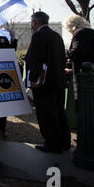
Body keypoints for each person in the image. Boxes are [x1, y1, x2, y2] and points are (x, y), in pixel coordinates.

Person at [26, 11, 71, 153]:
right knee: (58, 111)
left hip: (44, 82)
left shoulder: (39, 35)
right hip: (58, 81)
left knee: (46, 113)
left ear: (36, 22)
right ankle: (64, 141)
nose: (30, 25)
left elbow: (36, 59)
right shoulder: (56, 35)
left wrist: (33, 79)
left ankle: (52, 143)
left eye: (31, 22)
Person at [63, 15, 94, 142]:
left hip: (91, 80)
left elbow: (78, 51)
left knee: (87, 105)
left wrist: (64, 54)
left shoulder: (81, 33)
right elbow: (91, 56)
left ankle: (87, 136)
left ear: (73, 26)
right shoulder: (93, 34)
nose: (70, 32)